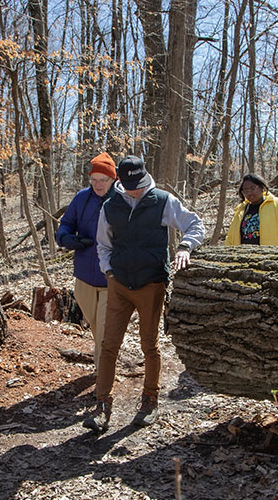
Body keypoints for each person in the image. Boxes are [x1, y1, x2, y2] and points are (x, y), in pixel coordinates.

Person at [83, 156, 205, 433]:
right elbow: (103, 244)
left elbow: (195, 224)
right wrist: (109, 271)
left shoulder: (162, 200)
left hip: (151, 284)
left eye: (137, 184)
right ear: (119, 182)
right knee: (109, 344)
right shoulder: (111, 205)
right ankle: (102, 405)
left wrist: (185, 246)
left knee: (149, 345)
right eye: (129, 186)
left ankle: (150, 399)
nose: (134, 190)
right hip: (119, 283)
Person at [56, 152, 116, 377]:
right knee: (96, 327)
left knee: (103, 330)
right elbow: (66, 225)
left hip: (111, 278)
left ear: (113, 179)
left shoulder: (122, 200)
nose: (98, 184)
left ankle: (103, 382)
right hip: (83, 277)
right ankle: (106, 363)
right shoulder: (82, 198)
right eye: (94, 179)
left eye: (103, 179)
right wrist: (67, 239)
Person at [224, 173, 278, 246]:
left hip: (272, 258)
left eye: (253, 188)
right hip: (244, 257)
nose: (250, 193)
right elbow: (231, 239)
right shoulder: (240, 211)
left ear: (261, 187)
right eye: (246, 191)